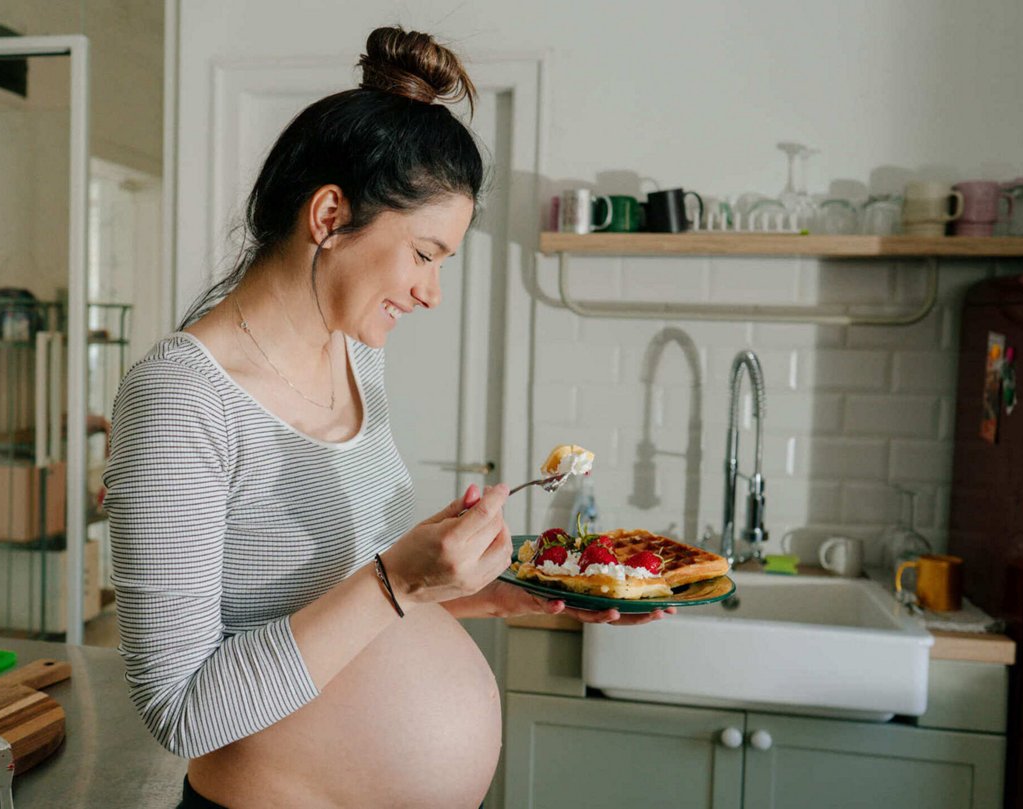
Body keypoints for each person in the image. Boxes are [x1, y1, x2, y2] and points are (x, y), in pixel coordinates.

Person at [103, 26, 672, 809]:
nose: (432, 292)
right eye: (424, 254)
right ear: (330, 214)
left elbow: (348, 608)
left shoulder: (356, 354)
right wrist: (401, 573)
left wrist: (494, 589)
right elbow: (182, 709)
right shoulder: (181, 399)